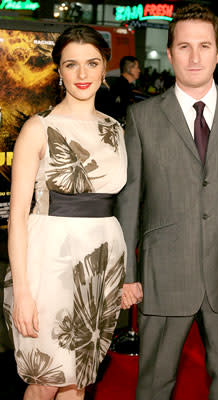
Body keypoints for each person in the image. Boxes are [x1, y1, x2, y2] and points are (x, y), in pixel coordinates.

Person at [116, 4, 218, 400]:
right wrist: (128, 272)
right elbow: (130, 200)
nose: (195, 56)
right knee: (153, 386)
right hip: (163, 275)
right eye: (184, 46)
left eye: (205, 46)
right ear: (169, 54)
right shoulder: (142, 118)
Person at [4, 25, 127, 400]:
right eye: (71, 65)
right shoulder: (38, 129)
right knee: (45, 379)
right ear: (59, 70)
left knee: (80, 379)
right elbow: (18, 220)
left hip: (101, 267)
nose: (83, 74)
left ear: (104, 65)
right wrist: (22, 291)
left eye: (91, 63)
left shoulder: (115, 129)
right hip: (48, 265)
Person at [109, 56, 141, 124]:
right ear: (129, 69)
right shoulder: (121, 86)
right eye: (137, 67)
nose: (139, 70)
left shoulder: (124, 84)